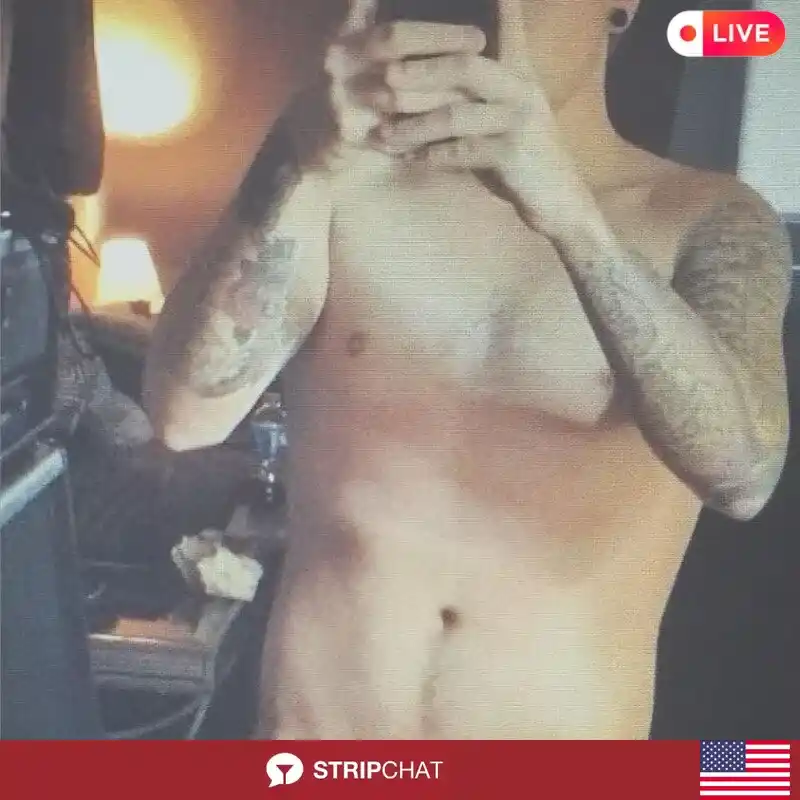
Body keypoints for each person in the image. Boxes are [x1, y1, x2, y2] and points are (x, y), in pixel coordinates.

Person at [143, 0, 792, 739]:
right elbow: (184, 417)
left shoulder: (709, 216)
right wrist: (298, 152)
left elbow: (743, 475)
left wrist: (570, 216)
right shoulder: (338, 187)